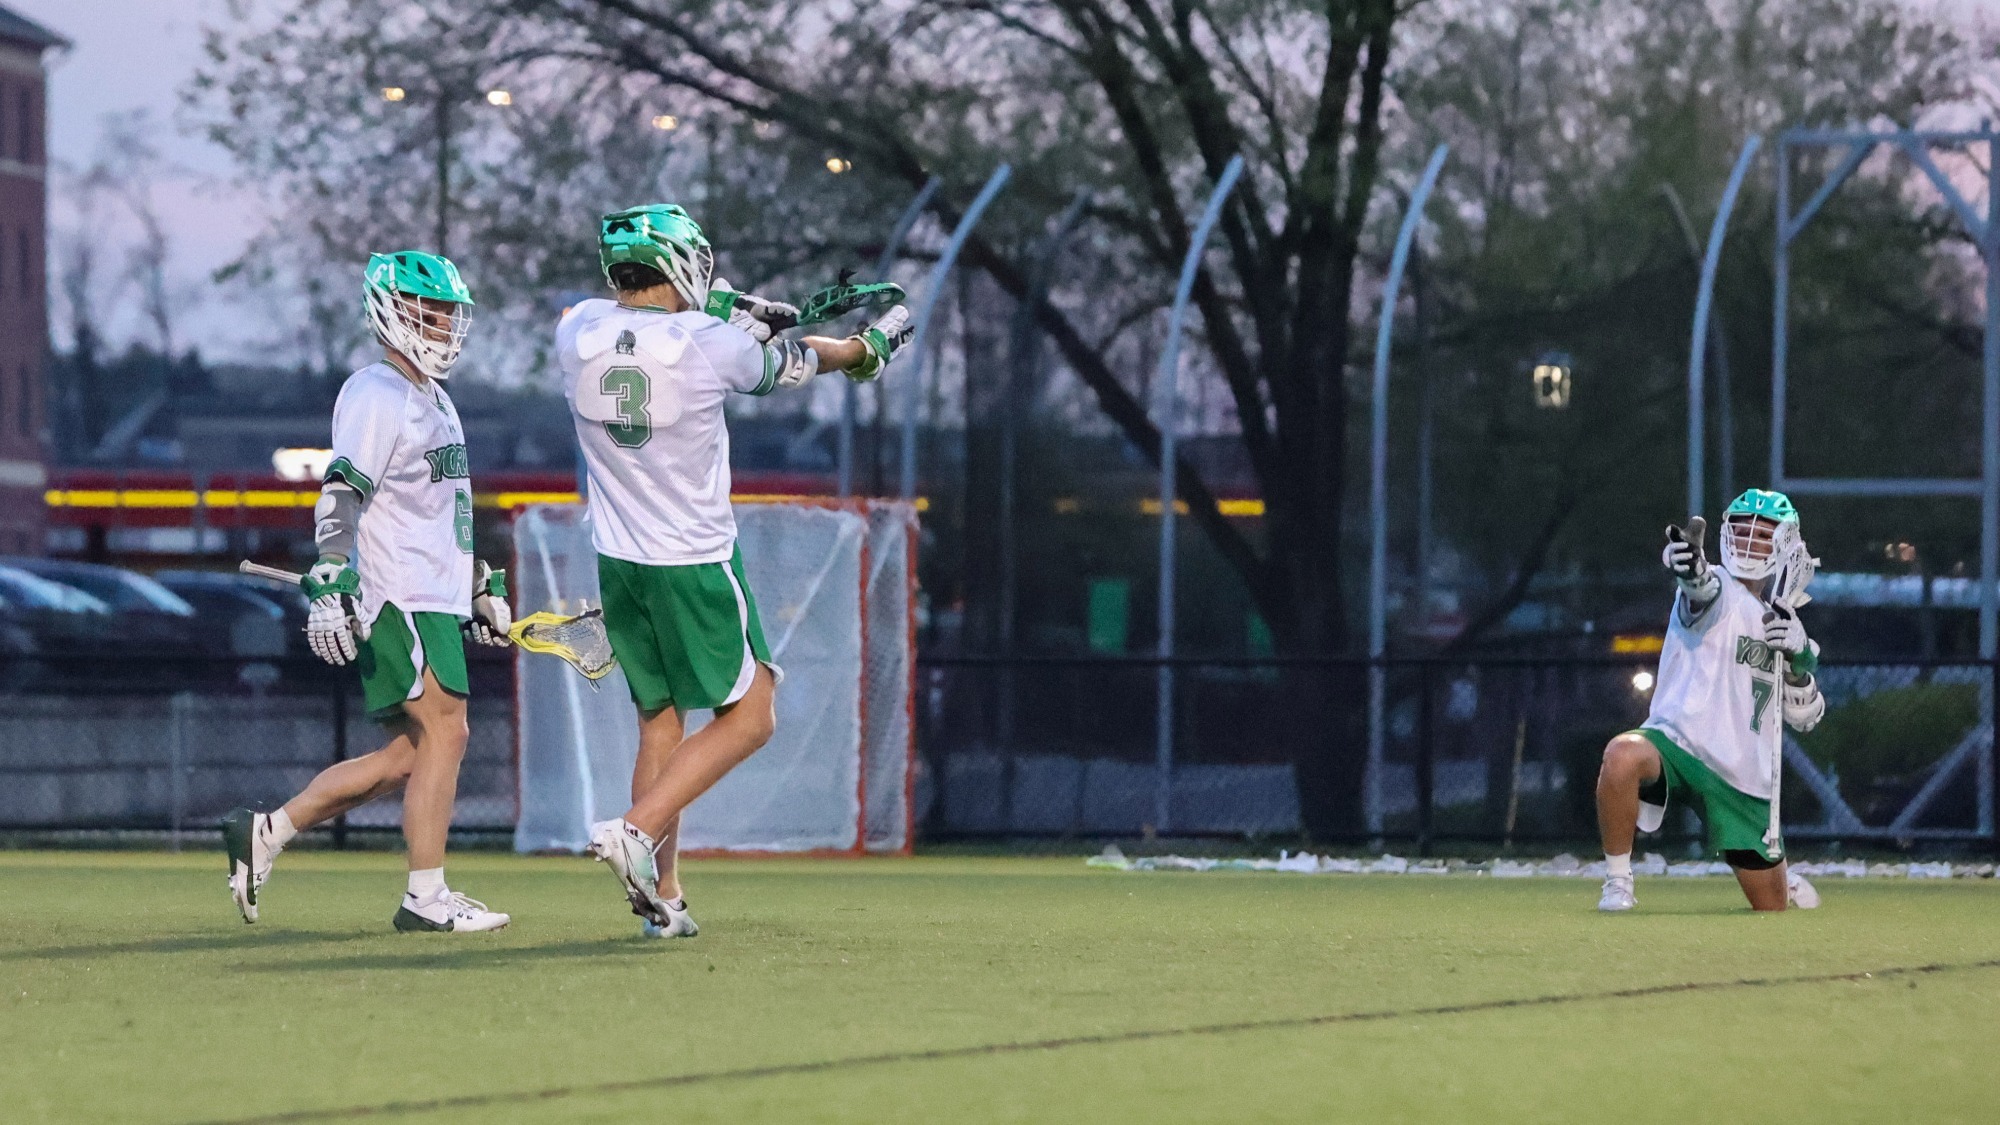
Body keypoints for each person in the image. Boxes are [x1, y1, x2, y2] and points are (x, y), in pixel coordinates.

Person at [557, 203, 912, 936]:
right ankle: (636, 828)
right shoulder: (709, 344)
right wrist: (864, 348)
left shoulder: (576, 330)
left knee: (660, 723)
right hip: (693, 558)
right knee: (752, 715)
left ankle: (666, 895)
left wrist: (731, 309)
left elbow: (659, 322)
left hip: (620, 559)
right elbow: (792, 363)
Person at [220, 250, 514, 933]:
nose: (443, 323)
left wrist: (477, 585)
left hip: (432, 595)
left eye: (448, 312)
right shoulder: (376, 394)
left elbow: (448, 513)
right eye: (431, 310)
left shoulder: (435, 401)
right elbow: (342, 492)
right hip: (397, 595)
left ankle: (266, 830)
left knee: (404, 758)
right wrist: (331, 577)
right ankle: (426, 896)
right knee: (449, 728)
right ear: (392, 313)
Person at [1596, 488, 1825, 913]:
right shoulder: (1717, 587)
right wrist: (1690, 569)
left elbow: (1805, 716)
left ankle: (1782, 880)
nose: (1749, 543)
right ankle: (1617, 880)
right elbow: (1699, 586)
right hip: (1677, 745)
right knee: (1622, 756)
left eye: (1762, 534)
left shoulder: (1783, 623)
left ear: (1784, 542)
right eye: (1741, 531)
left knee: (1770, 909)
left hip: (1742, 778)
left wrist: (1798, 658)